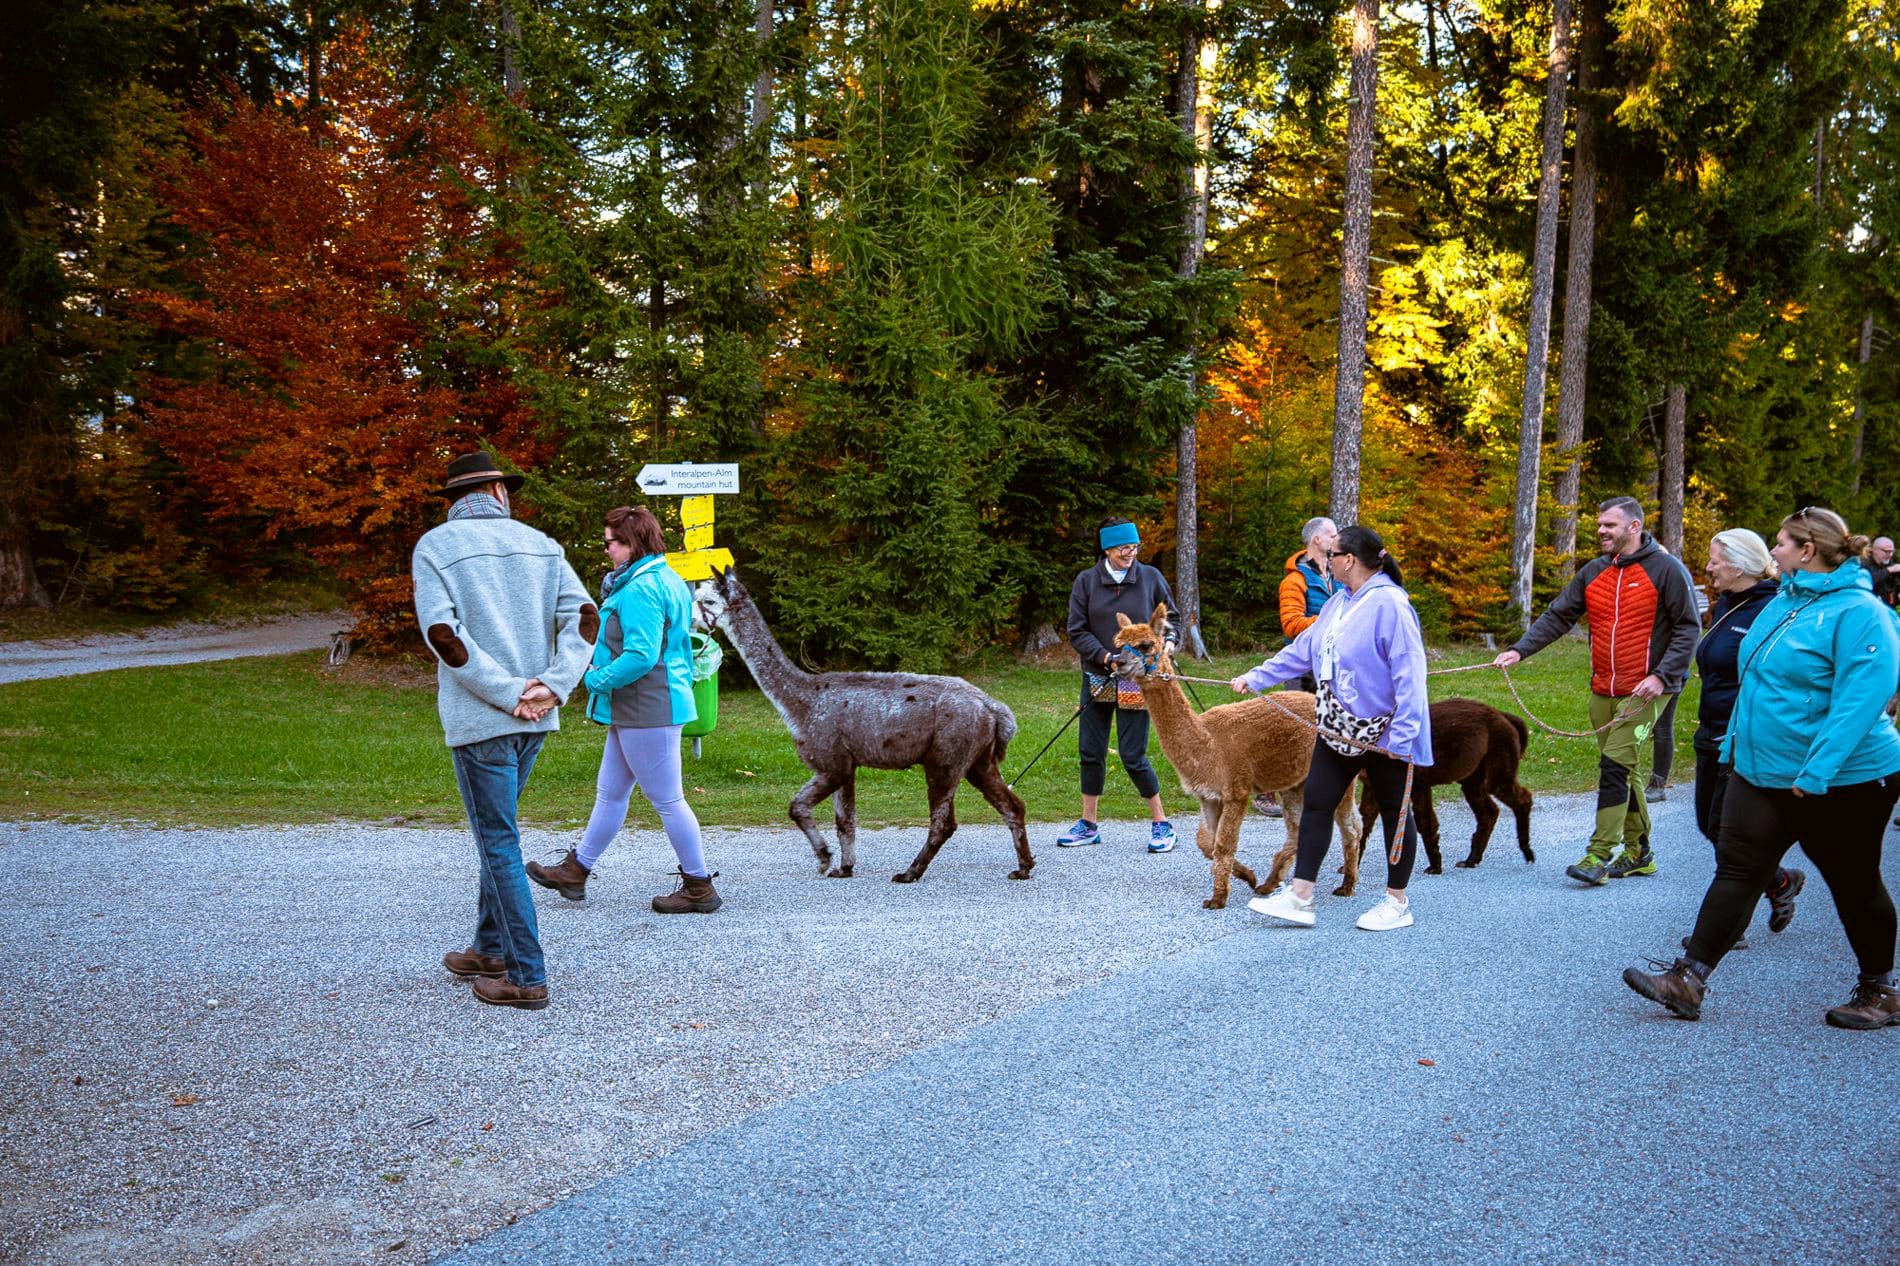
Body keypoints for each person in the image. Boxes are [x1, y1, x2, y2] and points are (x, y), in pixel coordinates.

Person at [1624, 508, 1900, 1030]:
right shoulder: (1785, 604)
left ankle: (1881, 991)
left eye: (1781, 543)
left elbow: (1862, 699)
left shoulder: (1860, 611)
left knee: (1854, 881)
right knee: (1738, 867)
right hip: (1762, 770)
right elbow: (1753, 684)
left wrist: (1817, 771)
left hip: (1843, 778)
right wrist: (1733, 749)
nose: (1773, 551)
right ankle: (1690, 978)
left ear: (1808, 550)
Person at [412, 451, 595, 1012]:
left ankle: (525, 975)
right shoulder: (543, 544)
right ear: (497, 491)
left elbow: (443, 633)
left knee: (498, 843)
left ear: (456, 499)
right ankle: (490, 950)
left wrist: (506, 692)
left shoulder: (435, 547)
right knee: (502, 834)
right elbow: (586, 617)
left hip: (483, 720)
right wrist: (551, 686)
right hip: (535, 716)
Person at [1230, 525, 1433, 931]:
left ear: (1349, 561)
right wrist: (1257, 676)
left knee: (1395, 811)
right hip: (1337, 726)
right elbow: (1303, 651)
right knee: (1318, 802)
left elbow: (1411, 674)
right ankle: (1301, 896)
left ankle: (1397, 902)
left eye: (1332, 554)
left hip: (1386, 733)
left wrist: (1404, 736)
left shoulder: (1391, 604)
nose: (1326, 559)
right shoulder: (1339, 602)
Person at [1492, 497, 1700, 885]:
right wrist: (1520, 650)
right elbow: (1558, 616)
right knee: (1623, 769)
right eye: (1599, 524)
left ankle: (1598, 855)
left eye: (1610, 525)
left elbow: (1689, 628)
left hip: (1648, 690)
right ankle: (1640, 854)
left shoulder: (1666, 570)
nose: (1601, 531)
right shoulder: (1593, 572)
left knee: (1615, 766)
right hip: (1603, 687)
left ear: (1634, 527)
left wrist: (1662, 676)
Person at [526, 506, 717, 914]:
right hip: (640, 706)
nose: (607, 550)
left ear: (632, 543)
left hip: (650, 705)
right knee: (610, 794)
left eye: (610, 542)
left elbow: (641, 656)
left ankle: (699, 887)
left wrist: (595, 679)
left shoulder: (642, 588)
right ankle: (576, 871)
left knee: (667, 800)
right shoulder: (661, 577)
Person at [1689, 529, 1801, 947]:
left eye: (1716, 559)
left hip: (1741, 737)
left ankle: (1725, 928)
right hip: (1709, 731)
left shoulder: (1770, 608)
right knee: (1708, 824)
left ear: (1739, 564)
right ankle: (1780, 880)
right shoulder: (1725, 604)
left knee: (1728, 835)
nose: (1709, 566)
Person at [1061, 517, 1178, 852]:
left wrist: (1168, 642)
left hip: (1137, 680)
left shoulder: (1150, 577)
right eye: (1124, 547)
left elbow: (1173, 618)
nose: (1131, 553)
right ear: (1107, 549)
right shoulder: (1086, 582)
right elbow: (1077, 630)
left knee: (1132, 753)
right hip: (1099, 674)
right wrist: (1104, 657)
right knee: (1090, 751)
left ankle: (1162, 824)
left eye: (1134, 547)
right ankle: (1088, 825)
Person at [1644, 547, 1700, 804]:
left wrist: (1667, 670)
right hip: (1642, 669)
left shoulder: (1673, 574)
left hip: (1670, 670)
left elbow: (1687, 629)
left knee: (1662, 726)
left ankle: (1658, 783)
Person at [1872, 536, 1900, 609]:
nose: (1890, 555)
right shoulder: (1864, 564)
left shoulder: (1890, 564)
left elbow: (1896, 583)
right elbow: (1868, 580)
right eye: (1887, 551)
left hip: (1890, 609)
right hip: (1872, 610)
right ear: (1875, 550)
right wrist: (1889, 570)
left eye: (1892, 551)